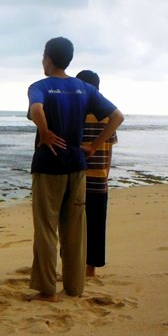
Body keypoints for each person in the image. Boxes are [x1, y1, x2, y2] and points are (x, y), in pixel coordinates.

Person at [27, 37, 124, 300]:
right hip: (78, 167)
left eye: (43, 56)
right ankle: (74, 287)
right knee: (74, 231)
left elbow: (36, 109)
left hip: (48, 166)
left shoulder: (40, 86)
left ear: (48, 58)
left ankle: (47, 289)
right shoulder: (85, 89)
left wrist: (45, 133)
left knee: (47, 229)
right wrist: (94, 146)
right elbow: (117, 116)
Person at [76, 70, 118, 278]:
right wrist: (106, 176)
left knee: (74, 226)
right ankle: (90, 269)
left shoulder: (77, 114)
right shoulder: (108, 115)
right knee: (96, 226)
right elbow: (109, 149)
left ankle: (73, 267)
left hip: (78, 179)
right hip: (100, 178)